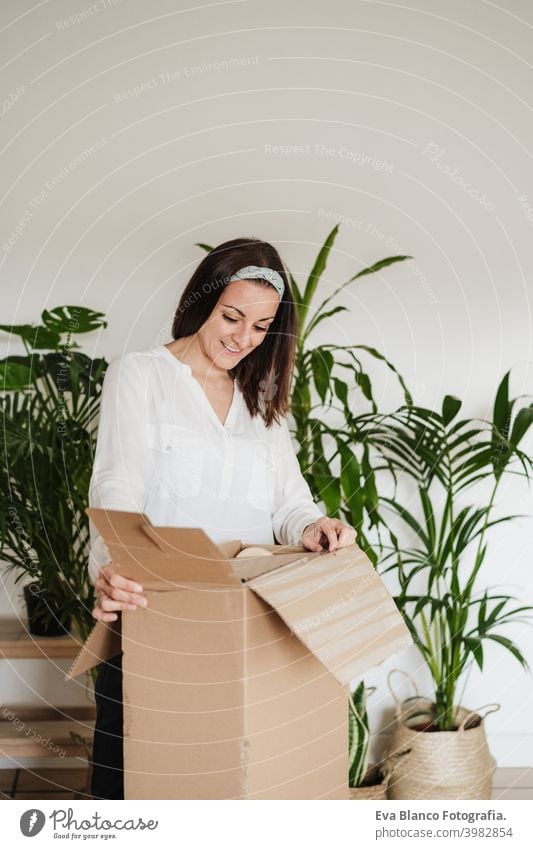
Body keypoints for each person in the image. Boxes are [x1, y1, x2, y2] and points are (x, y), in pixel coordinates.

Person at [88, 236, 357, 799]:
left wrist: (313, 527)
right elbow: (118, 484)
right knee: (139, 785)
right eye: (231, 317)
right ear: (200, 303)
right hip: (159, 612)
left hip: (251, 622)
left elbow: (289, 501)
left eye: (260, 328)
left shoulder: (262, 398)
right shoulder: (141, 375)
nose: (242, 339)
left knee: (241, 787)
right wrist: (113, 564)